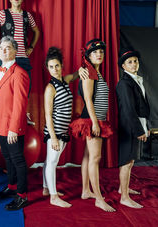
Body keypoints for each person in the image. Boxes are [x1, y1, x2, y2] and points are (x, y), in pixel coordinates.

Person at [69, 39, 115, 212]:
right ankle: (99, 199)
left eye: (101, 52)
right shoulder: (89, 72)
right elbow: (88, 99)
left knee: (88, 156)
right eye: (95, 52)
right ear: (88, 55)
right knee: (95, 159)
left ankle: (86, 191)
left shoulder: (95, 71)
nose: (99, 54)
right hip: (92, 120)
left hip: (96, 118)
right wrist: (95, 122)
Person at [0, 36, 30, 211]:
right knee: (8, 158)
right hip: (1, 124)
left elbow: (20, 104)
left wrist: (14, 128)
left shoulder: (19, 73)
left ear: (15, 51)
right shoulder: (1, 70)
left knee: (18, 160)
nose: (3, 51)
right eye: (1, 48)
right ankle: (12, 187)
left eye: (8, 48)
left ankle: (22, 196)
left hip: (12, 127)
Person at [42, 47, 89, 208]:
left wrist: (85, 64)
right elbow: (48, 115)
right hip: (54, 131)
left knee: (50, 161)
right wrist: (53, 137)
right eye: (51, 67)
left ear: (61, 66)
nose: (54, 69)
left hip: (63, 130)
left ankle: (46, 189)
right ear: (47, 68)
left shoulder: (64, 80)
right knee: (53, 162)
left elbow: (76, 74)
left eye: (57, 66)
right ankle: (54, 197)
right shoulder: (50, 88)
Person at [0, 0, 40, 95]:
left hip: (23, 58)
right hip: (6, 59)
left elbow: (36, 31)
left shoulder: (27, 15)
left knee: (24, 90)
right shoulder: (3, 14)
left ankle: (21, 112)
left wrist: (31, 47)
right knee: (5, 91)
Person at [116, 47, 150, 209]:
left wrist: (146, 126)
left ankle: (123, 187)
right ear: (123, 66)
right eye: (130, 62)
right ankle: (124, 197)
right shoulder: (124, 83)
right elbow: (129, 110)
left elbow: (142, 107)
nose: (134, 64)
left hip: (137, 124)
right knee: (126, 161)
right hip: (128, 127)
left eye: (135, 61)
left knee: (131, 161)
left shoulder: (135, 80)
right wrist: (138, 130)